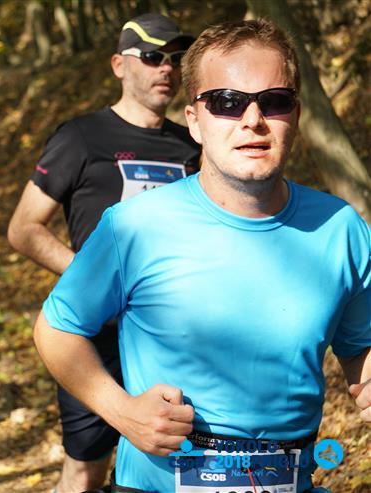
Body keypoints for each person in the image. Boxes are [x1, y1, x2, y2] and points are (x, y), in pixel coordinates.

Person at [34, 18, 370, 493]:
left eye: (274, 101)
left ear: (295, 114)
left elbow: (360, 347)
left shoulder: (341, 228)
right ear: (194, 120)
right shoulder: (134, 226)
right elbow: (56, 329)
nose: (252, 120)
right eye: (227, 102)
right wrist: (122, 411)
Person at [7, 13, 200, 492]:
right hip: (95, 340)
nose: (166, 68)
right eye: (152, 56)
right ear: (118, 65)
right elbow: (24, 229)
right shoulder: (81, 136)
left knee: (175, 466)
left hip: (171, 336)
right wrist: (93, 282)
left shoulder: (191, 146)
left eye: (175, 58)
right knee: (86, 471)